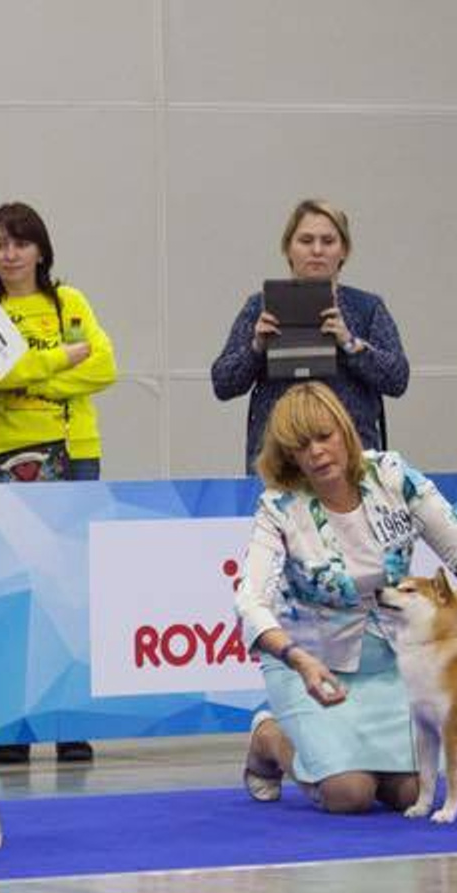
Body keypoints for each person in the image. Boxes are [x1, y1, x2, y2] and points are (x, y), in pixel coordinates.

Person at [236, 381, 457, 813]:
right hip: (312, 667)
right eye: (301, 445)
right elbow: (250, 601)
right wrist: (299, 659)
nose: (317, 452)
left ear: (345, 432)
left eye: (324, 436)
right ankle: (269, 738)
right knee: (348, 794)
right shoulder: (278, 507)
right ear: (289, 456)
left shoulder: (394, 478)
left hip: (394, 665)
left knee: (415, 794)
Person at [0, 201, 117, 765]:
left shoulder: (69, 301)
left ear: (41, 250)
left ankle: (70, 719)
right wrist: (59, 362)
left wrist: (40, 378)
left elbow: (104, 366)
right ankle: (14, 726)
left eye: (20, 243)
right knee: (17, 590)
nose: (9, 254)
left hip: (76, 454)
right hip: (9, 455)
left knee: (70, 591)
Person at [212, 198, 408, 473]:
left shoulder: (367, 308)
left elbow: (397, 379)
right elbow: (222, 383)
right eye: (306, 240)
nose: (317, 250)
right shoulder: (260, 306)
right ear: (288, 249)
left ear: (344, 251)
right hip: (278, 463)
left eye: (328, 241)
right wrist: (256, 347)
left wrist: (350, 343)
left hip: (350, 466)